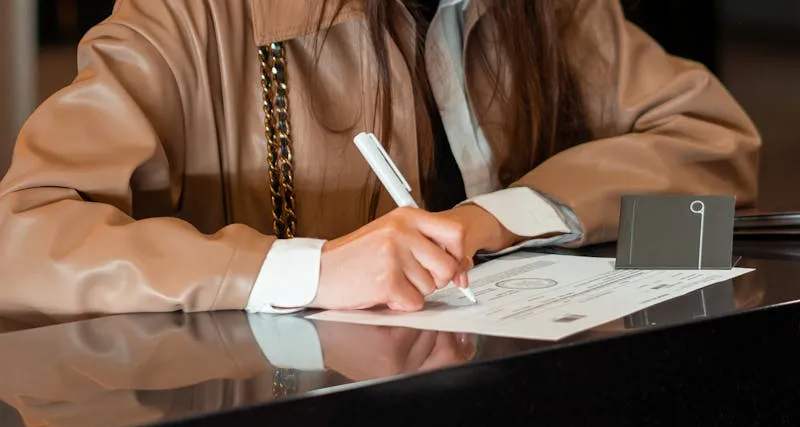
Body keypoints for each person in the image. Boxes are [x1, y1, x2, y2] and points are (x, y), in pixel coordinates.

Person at [0, 0, 760, 319]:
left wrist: (499, 216)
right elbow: (22, 237)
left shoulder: (547, 9)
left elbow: (714, 150)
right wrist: (312, 271)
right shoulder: (189, 18)